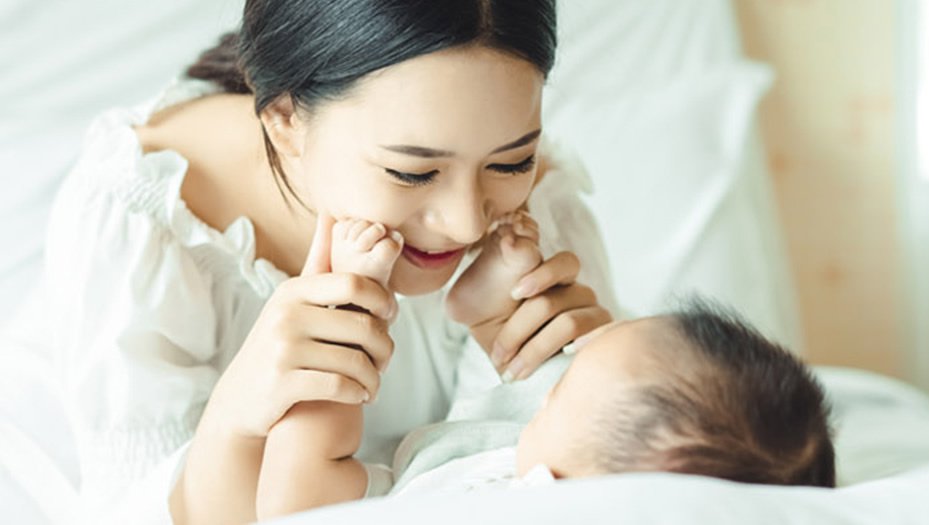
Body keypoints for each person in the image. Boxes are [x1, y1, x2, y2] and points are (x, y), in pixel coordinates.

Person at [35, 0, 616, 523]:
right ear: (285, 119)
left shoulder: (528, 210)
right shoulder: (143, 222)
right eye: (412, 172)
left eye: (511, 161)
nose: (467, 222)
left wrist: (565, 375)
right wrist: (234, 419)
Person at [259, 214, 834, 513]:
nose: (568, 359)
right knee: (528, 394)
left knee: (301, 493)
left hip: (369, 499)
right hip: (439, 466)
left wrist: (355, 288)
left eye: (564, 392)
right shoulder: (577, 461)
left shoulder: (525, 501)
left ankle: (348, 311)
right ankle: (489, 320)